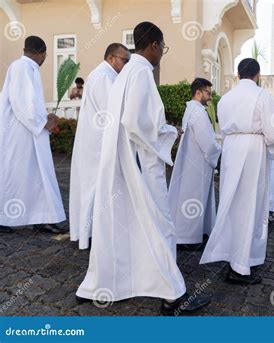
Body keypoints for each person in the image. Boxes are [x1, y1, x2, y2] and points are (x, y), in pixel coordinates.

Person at [76, 22, 210, 315]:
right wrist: (169, 132)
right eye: (163, 47)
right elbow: (137, 122)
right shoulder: (140, 73)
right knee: (159, 225)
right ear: (154, 45)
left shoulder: (127, 73)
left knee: (120, 224)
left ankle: (101, 284)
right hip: (139, 165)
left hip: (123, 162)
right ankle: (173, 296)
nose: (162, 53)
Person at [200, 58, 274, 285]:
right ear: (258, 74)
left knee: (231, 203)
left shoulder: (225, 98)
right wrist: (271, 148)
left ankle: (231, 253)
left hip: (232, 148)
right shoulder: (263, 96)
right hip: (253, 149)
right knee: (250, 206)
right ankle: (241, 266)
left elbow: (222, 127)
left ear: (237, 74)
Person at [0, 36, 66, 234]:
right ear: (43, 54)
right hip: (20, 134)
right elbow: (22, 103)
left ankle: (41, 216)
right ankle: (4, 216)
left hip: (30, 132)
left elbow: (31, 104)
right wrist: (44, 122)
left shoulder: (26, 68)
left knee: (36, 174)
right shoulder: (22, 67)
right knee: (15, 174)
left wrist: (45, 117)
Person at [69, 43, 130, 249]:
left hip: (94, 140)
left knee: (93, 187)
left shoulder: (104, 74)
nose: (126, 64)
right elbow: (112, 111)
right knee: (95, 187)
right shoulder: (105, 76)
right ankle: (91, 235)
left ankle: (91, 233)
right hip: (97, 143)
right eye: (124, 60)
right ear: (112, 58)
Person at [168, 78, 221, 247]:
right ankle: (188, 238)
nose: (210, 97)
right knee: (193, 199)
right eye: (208, 93)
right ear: (198, 92)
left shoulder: (191, 109)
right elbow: (206, 141)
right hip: (197, 164)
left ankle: (193, 234)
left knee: (190, 198)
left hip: (194, 162)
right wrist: (218, 153)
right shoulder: (198, 112)